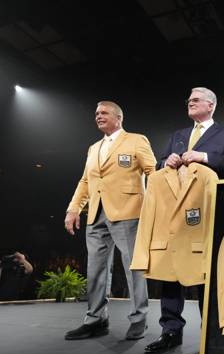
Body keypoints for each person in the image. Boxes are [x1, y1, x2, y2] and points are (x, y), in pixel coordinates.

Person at [145, 87, 224, 354]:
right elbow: (158, 165)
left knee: (206, 270)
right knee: (170, 269)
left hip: (208, 211)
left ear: (211, 105)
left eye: (196, 99)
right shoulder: (177, 136)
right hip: (174, 211)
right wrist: (168, 161)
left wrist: (204, 157)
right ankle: (170, 331)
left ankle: (211, 333)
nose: (190, 102)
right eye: (189, 99)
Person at [64, 101, 156, 341]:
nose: (98, 116)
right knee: (95, 269)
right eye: (96, 113)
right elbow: (85, 181)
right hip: (95, 215)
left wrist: (157, 207)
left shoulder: (137, 140)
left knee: (132, 267)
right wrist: (73, 209)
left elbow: (153, 172)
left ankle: (139, 319)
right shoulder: (93, 148)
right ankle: (96, 320)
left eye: (104, 112)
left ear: (119, 117)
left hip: (129, 212)